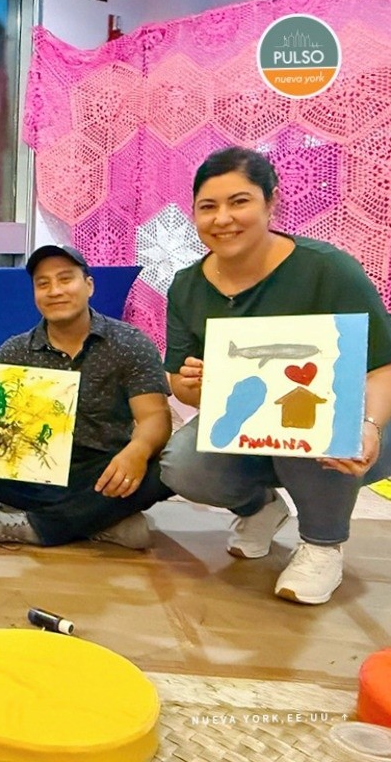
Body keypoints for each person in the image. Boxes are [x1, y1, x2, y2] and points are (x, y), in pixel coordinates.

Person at [160, 146, 391, 605]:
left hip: (346, 422)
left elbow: (382, 366)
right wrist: (194, 384)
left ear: (271, 202)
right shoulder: (187, 285)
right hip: (252, 424)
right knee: (182, 465)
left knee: (311, 424)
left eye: (239, 201)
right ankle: (261, 509)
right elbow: (180, 383)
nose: (223, 218)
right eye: (208, 206)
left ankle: (323, 544)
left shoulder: (327, 269)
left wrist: (369, 426)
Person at [0, 245, 174, 550]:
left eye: (66, 279)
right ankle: (102, 520)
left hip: (105, 465)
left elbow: (155, 416)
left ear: (89, 285)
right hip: (36, 468)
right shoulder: (15, 351)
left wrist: (138, 451)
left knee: (169, 469)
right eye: (43, 284)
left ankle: (38, 526)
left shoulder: (130, 343)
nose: (55, 291)